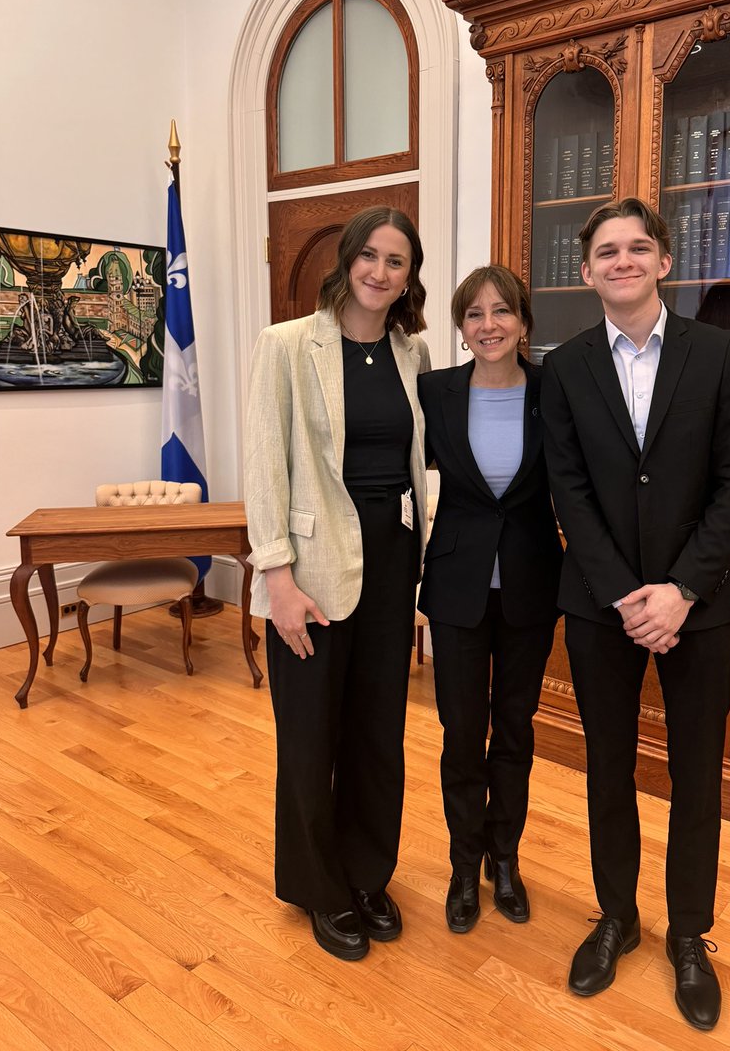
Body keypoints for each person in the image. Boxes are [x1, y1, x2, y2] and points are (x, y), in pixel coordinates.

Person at [541, 197, 730, 1031]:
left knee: (695, 773)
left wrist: (682, 590)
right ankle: (616, 917)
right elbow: (572, 490)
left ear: (664, 262)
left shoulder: (715, 354)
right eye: (606, 251)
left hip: (696, 608)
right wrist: (626, 594)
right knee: (606, 768)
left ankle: (689, 936)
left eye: (638, 248)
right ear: (588, 270)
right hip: (603, 608)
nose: (622, 261)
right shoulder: (563, 368)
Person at [244, 206, 431, 962]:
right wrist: (276, 580)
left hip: (395, 562)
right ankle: (322, 890)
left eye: (398, 262)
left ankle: (368, 874)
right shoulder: (287, 345)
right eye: (372, 256)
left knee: (378, 735)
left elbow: (425, 462)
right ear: (347, 258)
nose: (381, 272)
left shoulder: (412, 350)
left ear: (409, 276)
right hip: (312, 573)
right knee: (312, 736)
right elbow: (265, 465)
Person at [418, 266, 562, 933]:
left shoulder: (553, 391)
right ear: (461, 326)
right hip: (456, 590)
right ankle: (462, 863)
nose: (488, 325)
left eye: (502, 312)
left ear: (524, 323)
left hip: (531, 587)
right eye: (474, 314)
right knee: (459, 735)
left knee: (514, 732)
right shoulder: (435, 391)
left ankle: (504, 860)